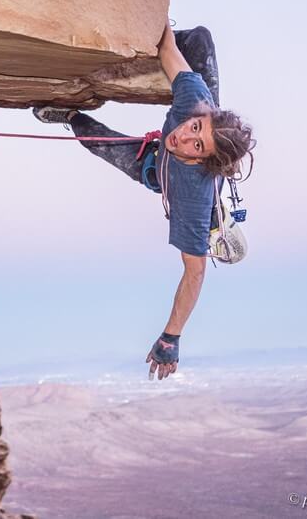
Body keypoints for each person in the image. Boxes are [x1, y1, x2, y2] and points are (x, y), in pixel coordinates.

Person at [32, 24, 255, 381]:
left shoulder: (191, 196)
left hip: (158, 173)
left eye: (197, 146)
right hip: (176, 141)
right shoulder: (193, 102)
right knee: (199, 39)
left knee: (97, 141)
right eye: (196, 128)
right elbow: (169, 51)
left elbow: (195, 272)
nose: (184, 137)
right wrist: (152, 16)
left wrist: (172, 335)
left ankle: (71, 117)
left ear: (202, 160)